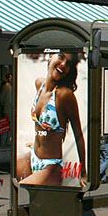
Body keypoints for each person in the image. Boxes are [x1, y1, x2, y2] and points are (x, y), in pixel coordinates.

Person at [18, 52, 87, 187]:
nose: (63, 64)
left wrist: (83, 172)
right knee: (14, 185)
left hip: (51, 166)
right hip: (33, 157)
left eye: (68, 64)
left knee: (23, 186)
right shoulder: (39, 84)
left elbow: (78, 135)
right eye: (60, 57)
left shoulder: (64, 95)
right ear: (50, 57)